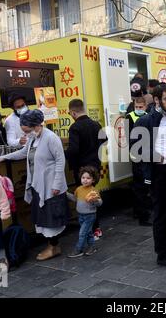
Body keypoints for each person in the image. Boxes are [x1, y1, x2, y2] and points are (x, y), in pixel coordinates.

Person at [0, 110, 69, 261]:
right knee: (44, 216)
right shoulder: (33, 138)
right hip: (38, 184)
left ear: (36, 125)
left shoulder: (51, 138)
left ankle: (54, 246)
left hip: (50, 185)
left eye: (27, 130)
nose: (26, 134)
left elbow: (60, 161)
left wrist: (57, 184)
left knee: (51, 217)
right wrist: (3, 158)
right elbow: (23, 153)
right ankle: (53, 245)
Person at [134, 83, 166, 268]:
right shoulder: (145, 121)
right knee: (161, 215)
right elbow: (135, 149)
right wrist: (154, 156)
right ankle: (162, 255)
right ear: (156, 100)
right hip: (159, 174)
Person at [65, 99, 106, 240]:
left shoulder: (75, 128)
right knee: (91, 197)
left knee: (85, 200)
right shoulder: (96, 124)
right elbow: (104, 141)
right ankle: (96, 228)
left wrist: (62, 155)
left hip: (83, 171)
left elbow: (74, 150)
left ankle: (93, 229)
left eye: (70, 113)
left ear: (73, 112)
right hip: (95, 168)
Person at [67, 166, 102, 258]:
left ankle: (78, 250)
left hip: (90, 216)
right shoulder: (79, 189)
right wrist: (66, 194)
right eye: (83, 178)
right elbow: (75, 199)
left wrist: (94, 201)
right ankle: (92, 247)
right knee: (89, 232)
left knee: (82, 233)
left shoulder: (93, 191)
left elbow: (100, 203)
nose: (85, 180)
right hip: (81, 215)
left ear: (93, 180)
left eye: (88, 178)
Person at [127, 96, 152, 226]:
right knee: (139, 186)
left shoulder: (148, 116)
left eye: (141, 107)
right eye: (137, 107)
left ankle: (142, 211)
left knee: (144, 185)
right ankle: (142, 215)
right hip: (137, 155)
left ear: (145, 106)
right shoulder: (129, 117)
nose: (138, 109)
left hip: (147, 155)